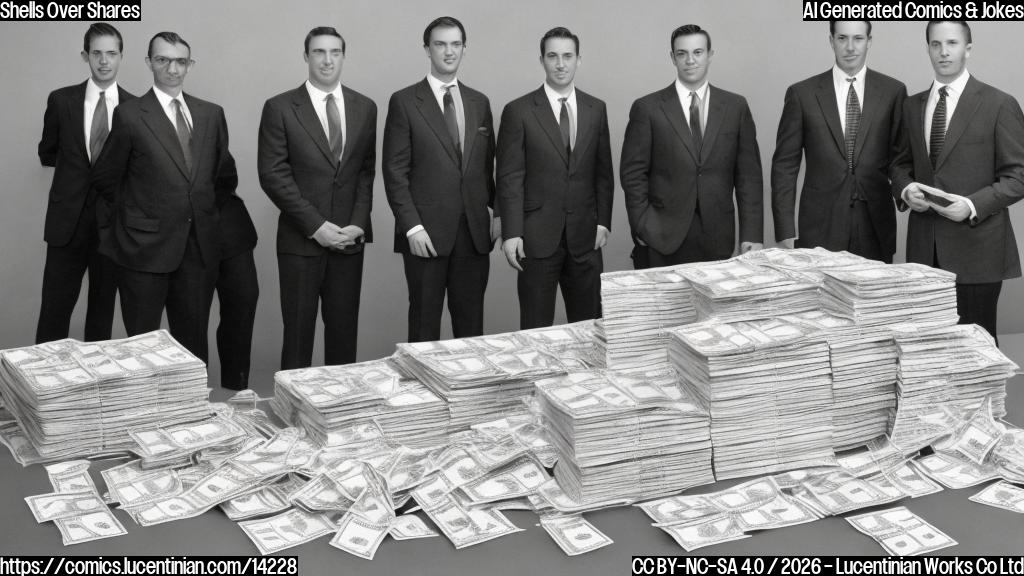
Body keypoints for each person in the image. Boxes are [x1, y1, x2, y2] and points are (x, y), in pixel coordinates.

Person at [93, 32, 238, 363]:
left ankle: (189, 410)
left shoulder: (210, 114)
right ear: (149, 63)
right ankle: (144, 410)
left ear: (190, 65)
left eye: (180, 61)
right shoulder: (130, 115)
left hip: (196, 245)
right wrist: (134, 220)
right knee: (143, 346)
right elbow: (105, 178)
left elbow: (222, 176)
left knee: (192, 343)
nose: (172, 68)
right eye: (163, 60)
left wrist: (203, 215)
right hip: (143, 248)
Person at [892, 20, 1024, 341]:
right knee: (928, 351)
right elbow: (899, 164)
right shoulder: (912, 106)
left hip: (978, 253)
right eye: (936, 45)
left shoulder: (998, 104)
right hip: (925, 255)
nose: (943, 52)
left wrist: (971, 205)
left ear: (968, 49)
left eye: (951, 44)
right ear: (927, 49)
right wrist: (907, 189)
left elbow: (1018, 176)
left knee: (975, 353)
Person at [258, 27, 376, 369]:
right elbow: (273, 175)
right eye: (319, 52)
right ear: (306, 56)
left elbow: (365, 173)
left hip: (348, 241)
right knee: (297, 336)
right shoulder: (280, 107)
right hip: (301, 240)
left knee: (343, 335)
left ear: (343, 56)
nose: (327, 60)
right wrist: (316, 226)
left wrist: (356, 223)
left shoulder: (365, 107)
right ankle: (293, 414)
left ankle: (339, 414)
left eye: (335, 52)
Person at [383, 16, 499, 342]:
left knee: (471, 329)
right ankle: (424, 393)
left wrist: (497, 215)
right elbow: (394, 171)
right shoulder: (405, 102)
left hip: (474, 235)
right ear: (427, 49)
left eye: (455, 44)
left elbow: (488, 168)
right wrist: (412, 227)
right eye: (440, 44)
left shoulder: (480, 102)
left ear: (464, 49)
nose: (449, 52)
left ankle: (471, 393)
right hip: (425, 235)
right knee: (424, 326)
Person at [497, 27, 613, 329]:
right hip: (536, 238)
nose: (560, 64)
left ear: (578, 60)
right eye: (552, 56)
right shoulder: (518, 111)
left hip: (585, 237)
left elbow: (603, 173)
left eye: (567, 56)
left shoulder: (596, 109)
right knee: (536, 329)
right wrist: (511, 232)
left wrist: (603, 222)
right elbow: (509, 177)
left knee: (590, 329)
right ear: (542, 60)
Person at [621, 24, 762, 268]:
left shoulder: (735, 107)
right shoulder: (648, 108)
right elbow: (633, 174)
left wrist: (751, 234)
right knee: (666, 307)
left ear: (710, 55)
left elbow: (749, 176)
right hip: (661, 236)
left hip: (718, 235)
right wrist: (642, 225)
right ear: (672, 58)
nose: (690, 60)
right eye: (682, 53)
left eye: (697, 52)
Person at [772, 20, 906, 262]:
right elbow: (784, 165)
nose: (850, 47)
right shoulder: (802, 94)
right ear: (831, 41)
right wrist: (785, 228)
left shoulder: (893, 92)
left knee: (873, 298)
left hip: (876, 224)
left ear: (870, 42)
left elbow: (900, 159)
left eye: (858, 38)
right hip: (818, 225)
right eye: (842, 38)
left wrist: (906, 194)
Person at [36, 23, 134, 344]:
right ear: (85, 56)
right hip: (68, 224)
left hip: (112, 226)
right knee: (54, 310)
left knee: (102, 313)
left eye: (111, 53)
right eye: (96, 53)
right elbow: (47, 152)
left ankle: (95, 391)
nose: (104, 61)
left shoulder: (136, 109)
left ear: (121, 57)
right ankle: (44, 388)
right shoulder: (62, 101)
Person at [213, 191, 258, 389]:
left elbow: (227, 173)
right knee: (190, 317)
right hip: (178, 227)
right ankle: (190, 399)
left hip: (230, 226)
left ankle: (235, 389)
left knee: (243, 301)